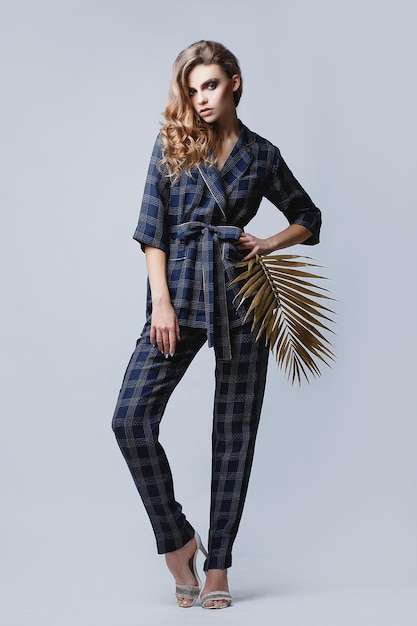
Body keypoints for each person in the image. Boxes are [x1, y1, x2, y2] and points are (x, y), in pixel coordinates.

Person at [112, 40, 321, 610]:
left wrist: (267, 242)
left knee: (234, 434)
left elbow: (308, 216)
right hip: (177, 292)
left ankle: (219, 565)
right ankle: (177, 539)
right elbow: (152, 230)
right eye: (192, 87)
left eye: (210, 85)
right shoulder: (172, 144)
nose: (201, 98)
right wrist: (161, 303)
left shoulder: (262, 155)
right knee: (130, 419)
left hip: (241, 296)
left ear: (234, 84)